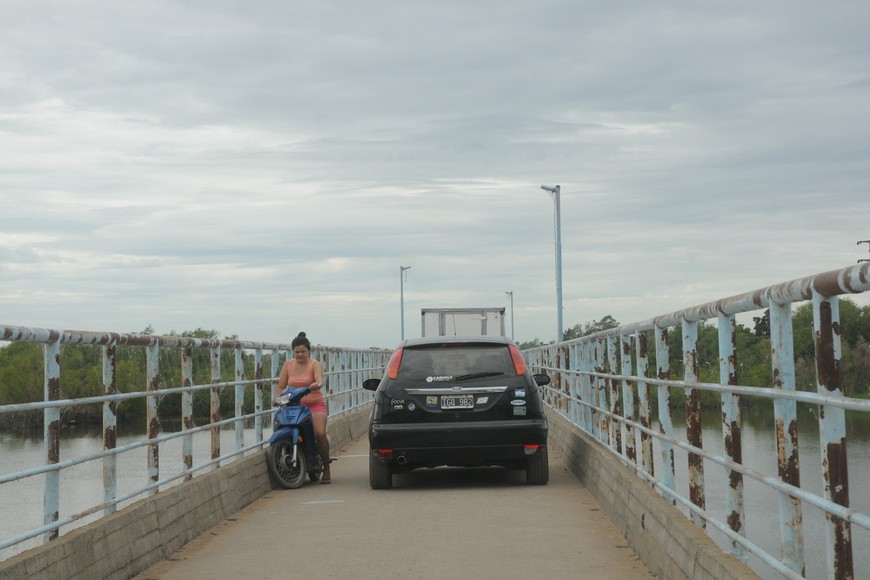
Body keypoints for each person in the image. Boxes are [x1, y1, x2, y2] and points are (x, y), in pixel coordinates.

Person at [274, 332, 332, 484]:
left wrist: (317, 384)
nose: (300, 355)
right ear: (293, 352)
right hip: (294, 405)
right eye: (297, 352)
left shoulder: (315, 364)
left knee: (319, 433)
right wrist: (277, 398)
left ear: (309, 351)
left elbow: (319, 379)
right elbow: (281, 385)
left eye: (303, 352)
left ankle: (326, 467)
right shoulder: (288, 365)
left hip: (314, 405)